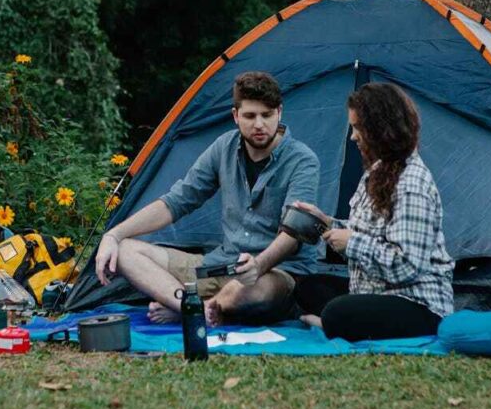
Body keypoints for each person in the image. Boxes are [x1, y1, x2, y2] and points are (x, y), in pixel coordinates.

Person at [95, 71, 320, 325]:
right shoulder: (223, 147)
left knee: (259, 292)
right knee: (125, 251)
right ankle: (200, 309)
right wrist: (113, 234)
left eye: (266, 115)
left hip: (273, 272)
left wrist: (258, 265)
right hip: (222, 264)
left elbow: (293, 234)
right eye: (249, 116)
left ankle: (190, 309)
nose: (259, 124)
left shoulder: (302, 160)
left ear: (279, 112)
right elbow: (178, 201)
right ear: (235, 116)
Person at [292, 82, 453, 341]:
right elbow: (367, 229)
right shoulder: (378, 170)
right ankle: (344, 321)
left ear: (381, 129)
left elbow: (407, 266)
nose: (353, 136)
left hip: (416, 304)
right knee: (307, 287)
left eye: (358, 128)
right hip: (374, 290)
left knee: (336, 312)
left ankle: (332, 323)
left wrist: (352, 243)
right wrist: (327, 222)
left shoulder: (411, 183)